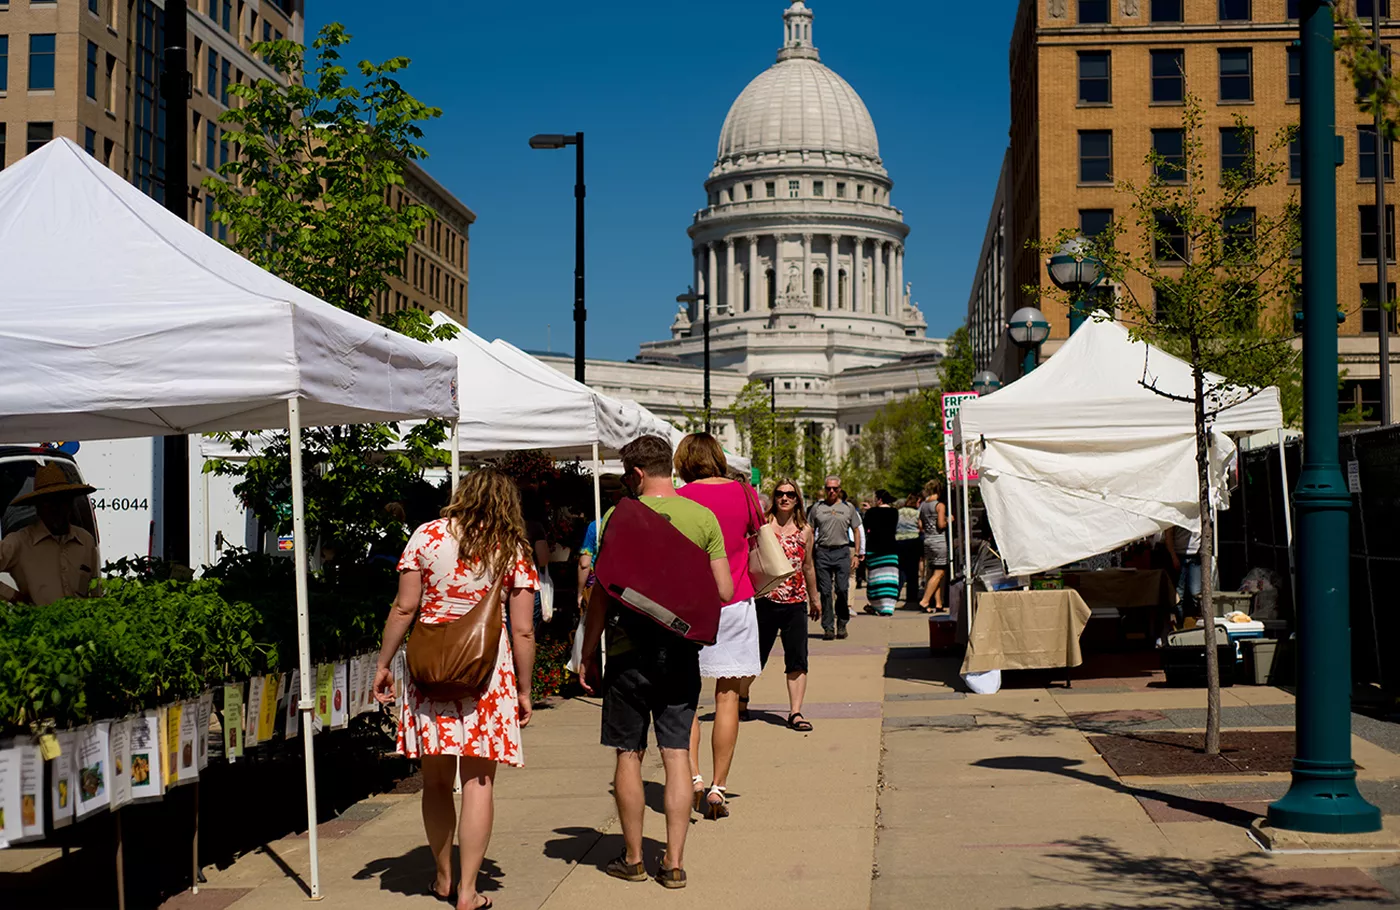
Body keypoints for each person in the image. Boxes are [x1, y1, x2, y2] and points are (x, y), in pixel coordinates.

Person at [372, 468, 539, 910]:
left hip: (430, 670)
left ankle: (443, 876)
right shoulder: (512, 548)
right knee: (479, 781)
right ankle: (468, 891)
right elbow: (522, 631)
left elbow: (405, 606)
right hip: (487, 674)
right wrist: (525, 689)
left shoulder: (426, 536)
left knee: (436, 782)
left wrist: (384, 663)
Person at [578, 435, 732, 890]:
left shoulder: (614, 518)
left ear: (637, 474)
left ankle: (633, 858)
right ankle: (675, 861)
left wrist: (587, 655)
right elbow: (724, 591)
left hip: (628, 653)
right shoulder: (702, 517)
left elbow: (602, 596)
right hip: (680, 652)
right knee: (677, 755)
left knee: (629, 753)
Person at [675, 433, 759, 822]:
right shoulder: (744, 494)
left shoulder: (680, 497)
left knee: (687, 699)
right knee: (727, 697)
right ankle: (717, 787)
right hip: (737, 600)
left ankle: (692, 778)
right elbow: (757, 534)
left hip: (691, 605)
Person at [738, 479, 819, 731]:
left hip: (795, 601)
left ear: (797, 499)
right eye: (780, 494)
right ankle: (741, 698)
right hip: (765, 599)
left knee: (797, 658)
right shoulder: (762, 525)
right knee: (755, 658)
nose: (785, 498)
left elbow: (808, 566)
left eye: (790, 494)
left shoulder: (805, 529)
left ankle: (795, 712)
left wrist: (815, 597)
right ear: (774, 498)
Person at [0, 463, 100, 607]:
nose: (55, 509)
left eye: (61, 501)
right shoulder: (19, 542)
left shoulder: (85, 541)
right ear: (38, 508)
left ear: (70, 504)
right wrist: (14, 596)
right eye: (48, 503)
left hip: (79, 626)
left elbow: (95, 591)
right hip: (39, 626)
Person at [808, 476, 863, 640]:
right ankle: (828, 627)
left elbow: (857, 530)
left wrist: (858, 554)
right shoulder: (817, 508)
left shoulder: (848, 508)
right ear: (824, 490)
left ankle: (842, 624)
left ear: (840, 490)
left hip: (842, 552)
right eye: (828, 488)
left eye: (835, 489)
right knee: (825, 592)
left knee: (842, 589)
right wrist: (809, 555)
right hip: (823, 552)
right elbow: (810, 531)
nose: (831, 491)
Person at [576, 474, 627, 610]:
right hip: (625, 588)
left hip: (599, 586)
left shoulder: (595, 526)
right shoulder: (631, 522)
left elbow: (584, 564)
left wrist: (580, 592)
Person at [862, 489, 901, 616]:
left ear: (879, 499)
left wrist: (869, 511)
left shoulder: (871, 513)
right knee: (890, 577)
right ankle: (888, 605)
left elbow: (866, 526)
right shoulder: (894, 512)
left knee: (876, 578)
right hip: (890, 548)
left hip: (874, 548)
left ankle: (876, 604)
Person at [917, 481, 950, 613]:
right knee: (939, 572)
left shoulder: (923, 506)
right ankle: (925, 601)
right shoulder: (939, 505)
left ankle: (938, 603)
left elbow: (920, 525)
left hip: (928, 540)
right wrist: (949, 520)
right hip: (939, 541)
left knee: (933, 571)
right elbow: (941, 524)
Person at [1166, 524, 1202, 628]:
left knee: (1195, 593)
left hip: (1195, 556)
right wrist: (1173, 557)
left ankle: (1196, 624)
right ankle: (1180, 625)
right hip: (1179, 555)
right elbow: (1168, 534)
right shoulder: (1175, 513)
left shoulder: (1200, 512)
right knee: (1179, 595)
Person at [896, 493, 923, 609]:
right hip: (913, 541)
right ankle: (911, 598)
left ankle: (895, 594)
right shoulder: (917, 513)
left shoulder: (899, 512)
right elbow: (921, 526)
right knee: (912, 571)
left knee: (901, 569)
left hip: (900, 541)